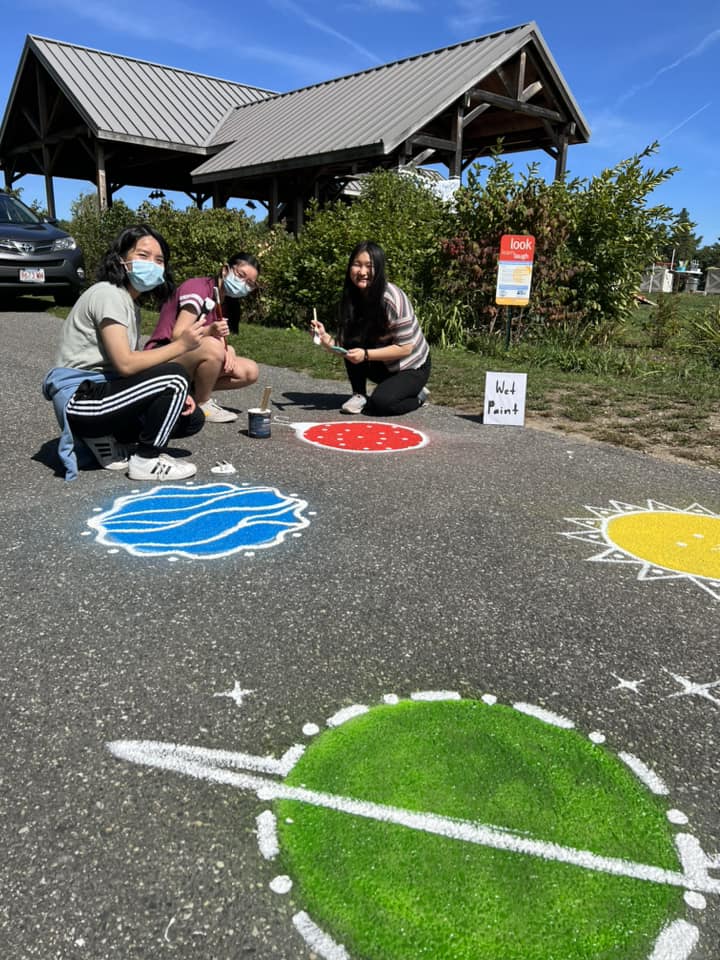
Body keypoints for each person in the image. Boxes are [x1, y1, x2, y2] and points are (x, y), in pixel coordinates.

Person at [42, 224, 207, 482]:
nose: (152, 264)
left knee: (190, 418)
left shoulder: (128, 303)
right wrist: (181, 346)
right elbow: (126, 365)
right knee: (176, 376)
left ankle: (101, 440)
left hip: (104, 394)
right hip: (82, 400)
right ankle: (146, 461)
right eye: (143, 255)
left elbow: (134, 368)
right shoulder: (109, 294)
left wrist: (173, 395)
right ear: (121, 259)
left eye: (159, 260)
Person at [310, 241, 430, 415]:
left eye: (369, 266)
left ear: (379, 269)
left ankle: (418, 395)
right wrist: (323, 338)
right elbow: (344, 347)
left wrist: (365, 355)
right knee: (352, 343)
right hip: (381, 363)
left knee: (382, 404)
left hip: (411, 366)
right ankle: (359, 394)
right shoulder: (351, 298)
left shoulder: (393, 298)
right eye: (357, 265)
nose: (362, 272)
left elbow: (405, 348)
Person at [144, 253, 260, 423]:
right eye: (241, 276)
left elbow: (217, 338)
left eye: (249, 283)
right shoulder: (197, 288)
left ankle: (187, 393)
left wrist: (229, 350)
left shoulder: (225, 300)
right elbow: (178, 335)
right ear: (225, 269)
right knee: (213, 348)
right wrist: (210, 332)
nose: (243, 284)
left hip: (187, 357)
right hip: (162, 355)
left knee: (250, 371)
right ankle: (202, 402)